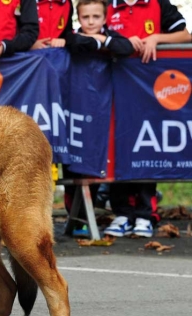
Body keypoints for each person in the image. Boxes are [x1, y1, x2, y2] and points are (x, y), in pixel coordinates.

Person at [104, 0, 190, 237]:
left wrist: (156, 38)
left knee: (145, 151)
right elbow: (95, 33)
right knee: (118, 148)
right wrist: (120, 43)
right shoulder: (107, 6)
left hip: (148, 90)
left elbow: (185, 34)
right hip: (113, 88)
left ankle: (144, 214)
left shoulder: (158, 4)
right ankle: (121, 213)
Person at [61, 0, 134, 237]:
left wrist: (106, 40)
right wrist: (99, 42)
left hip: (105, 109)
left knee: (110, 157)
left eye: (96, 17)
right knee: (73, 162)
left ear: (105, 18)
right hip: (74, 108)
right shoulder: (72, 37)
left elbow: (125, 47)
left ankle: (120, 211)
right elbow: (75, 44)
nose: (90, 22)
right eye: (85, 17)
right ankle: (77, 218)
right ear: (78, 19)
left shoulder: (112, 36)